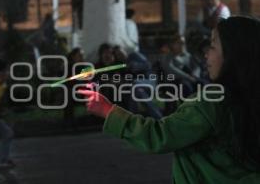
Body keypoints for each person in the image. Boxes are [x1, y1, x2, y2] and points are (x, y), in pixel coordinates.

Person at [78, 16, 260, 183]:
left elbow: (160, 135)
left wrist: (108, 110)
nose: (206, 53)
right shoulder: (248, 94)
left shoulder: (211, 102)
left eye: (212, 46)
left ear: (234, 54)